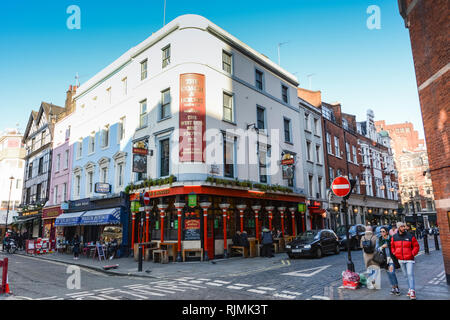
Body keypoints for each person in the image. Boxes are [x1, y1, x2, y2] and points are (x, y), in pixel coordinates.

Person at [391, 221, 420, 300]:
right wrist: (395, 253)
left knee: (410, 274)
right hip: (400, 259)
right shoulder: (394, 237)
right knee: (405, 275)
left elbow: (416, 246)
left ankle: (412, 291)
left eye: (404, 226)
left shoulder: (410, 236)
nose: (403, 228)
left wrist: (412, 253)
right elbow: (392, 246)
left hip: (409, 259)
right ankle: (409, 289)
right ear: (398, 228)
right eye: (401, 226)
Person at [376, 226, 400, 295]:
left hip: (392, 259)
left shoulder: (391, 238)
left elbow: (395, 245)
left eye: (383, 231)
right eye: (380, 232)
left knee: (392, 272)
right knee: (389, 274)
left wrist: (387, 245)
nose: (382, 233)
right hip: (384, 259)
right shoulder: (380, 239)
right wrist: (381, 247)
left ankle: (396, 287)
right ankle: (393, 287)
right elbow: (377, 248)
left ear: (386, 232)